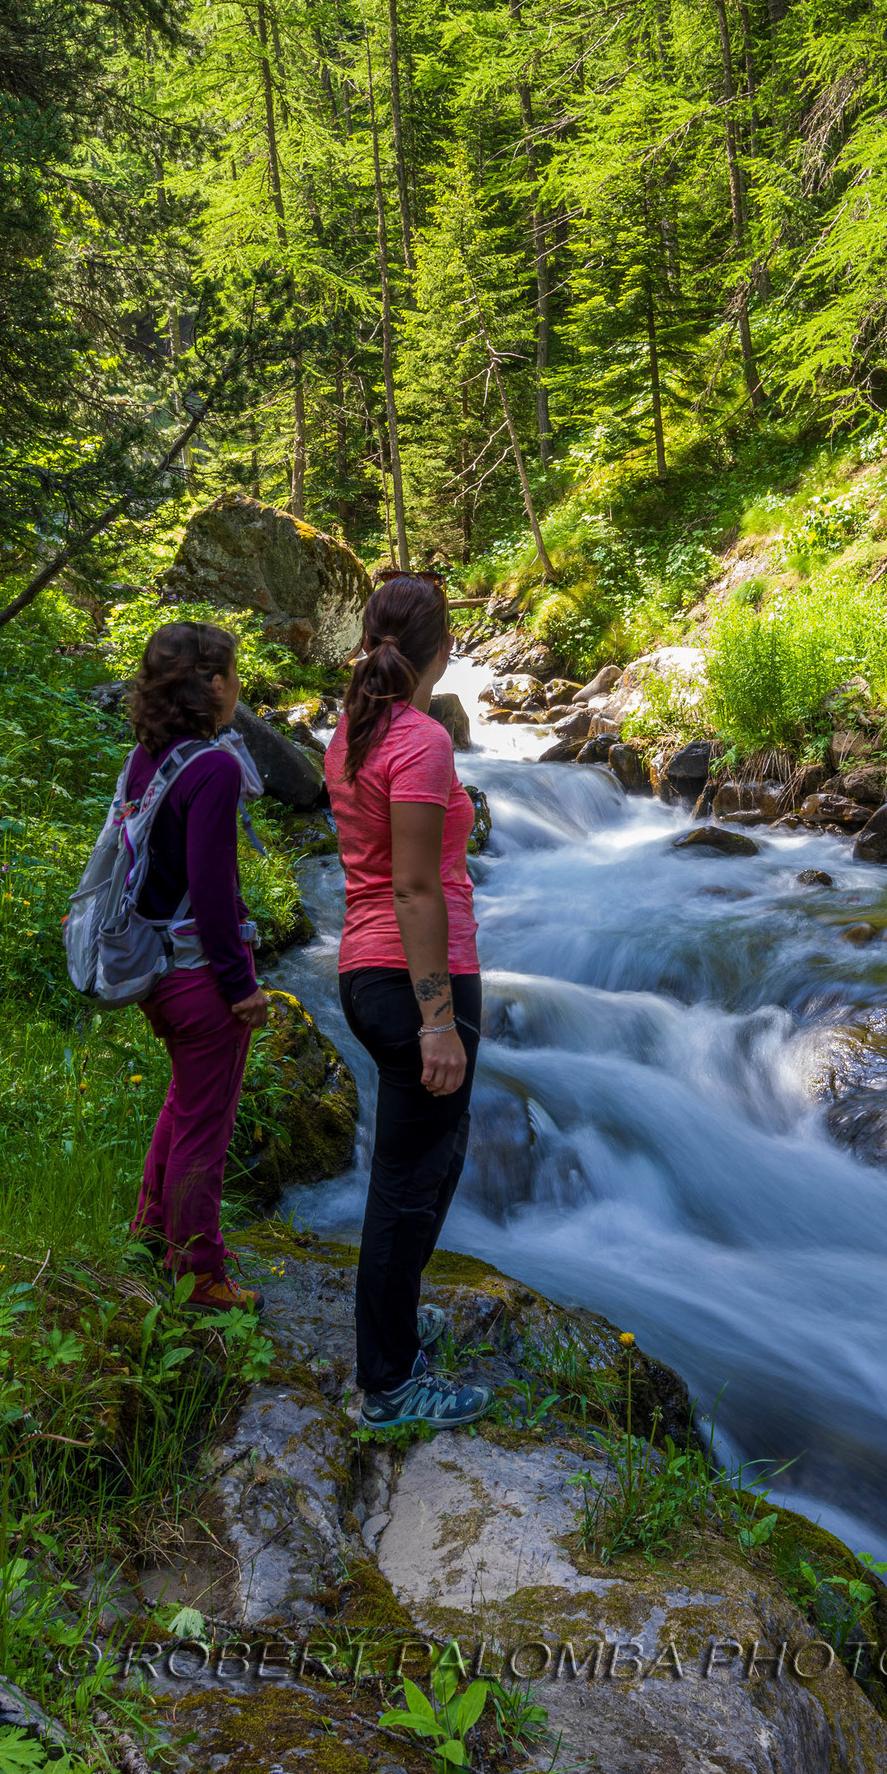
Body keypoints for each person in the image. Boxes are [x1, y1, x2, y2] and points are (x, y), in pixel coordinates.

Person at [325, 571, 489, 1428]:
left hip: (367, 971)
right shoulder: (419, 739)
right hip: (414, 979)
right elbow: (417, 889)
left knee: (433, 1161)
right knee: (407, 1180)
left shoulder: (352, 732)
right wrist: (438, 1023)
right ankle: (387, 1382)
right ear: (444, 647)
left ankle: (393, 1338)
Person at [125, 621, 269, 1314]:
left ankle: (151, 1231)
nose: (239, 686)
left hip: (156, 966)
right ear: (211, 684)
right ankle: (201, 1274)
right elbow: (214, 891)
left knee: (183, 1103)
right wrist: (240, 987)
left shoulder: (151, 756)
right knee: (206, 1129)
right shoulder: (210, 767)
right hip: (198, 977)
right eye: (234, 674)